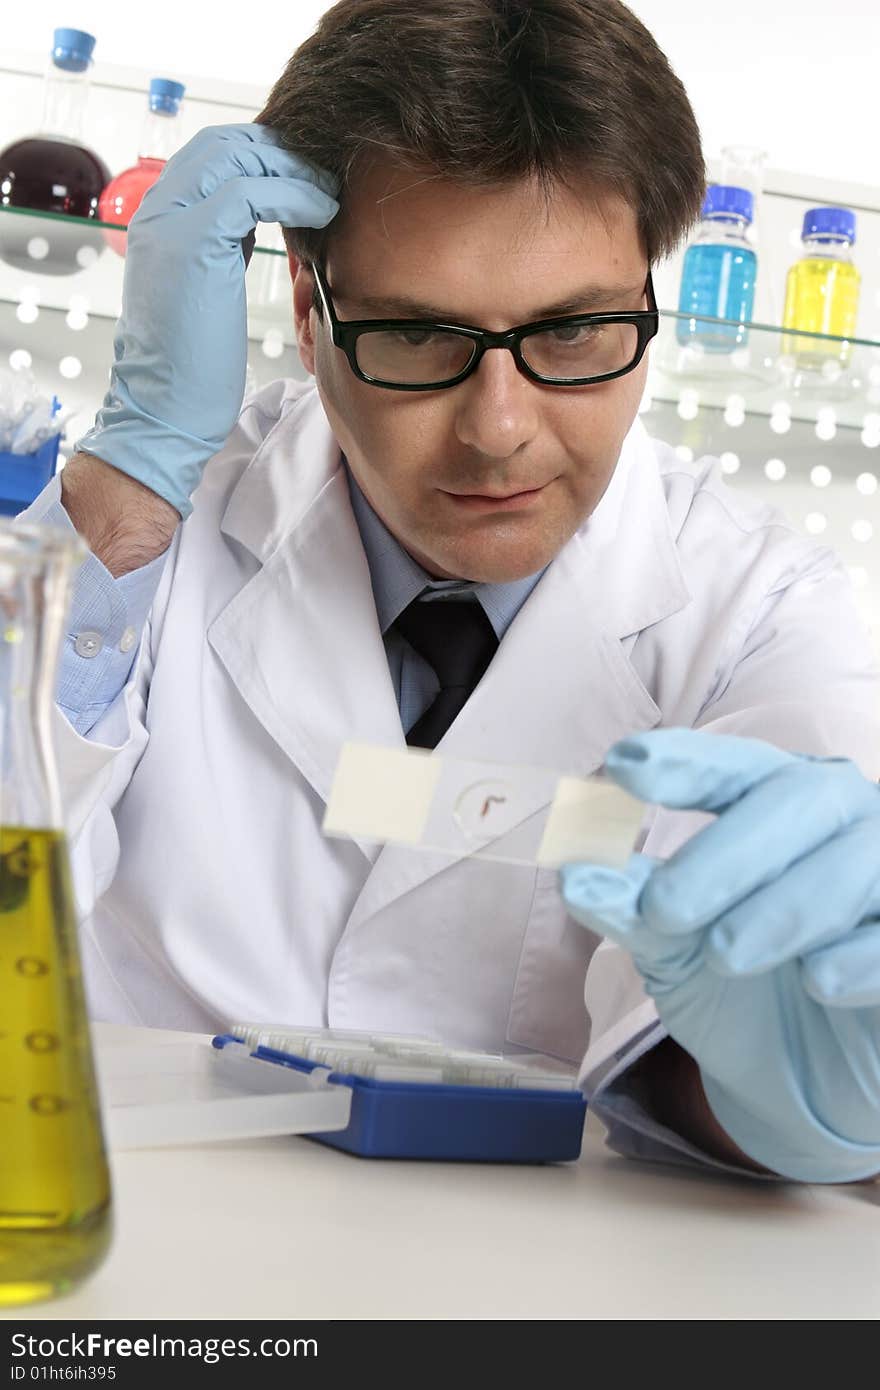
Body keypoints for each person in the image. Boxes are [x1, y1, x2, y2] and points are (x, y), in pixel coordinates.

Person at [22, 0, 879, 1180]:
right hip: (149, 1241)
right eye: (421, 336)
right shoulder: (145, 534)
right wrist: (128, 484)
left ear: (649, 308)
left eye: (574, 334)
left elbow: (765, 1061)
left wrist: (809, 1093)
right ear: (309, 313)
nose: (499, 430)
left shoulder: (756, 607)